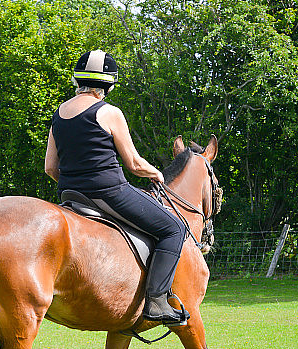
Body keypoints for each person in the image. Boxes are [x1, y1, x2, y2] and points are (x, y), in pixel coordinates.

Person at [44, 50, 189, 326]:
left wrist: (75, 183)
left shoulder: (59, 113)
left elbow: (50, 168)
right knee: (174, 229)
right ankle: (157, 301)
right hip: (108, 192)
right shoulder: (109, 112)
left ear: (78, 80)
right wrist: (156, 172)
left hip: (69, 194)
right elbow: (134, 163)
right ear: (109, 84)